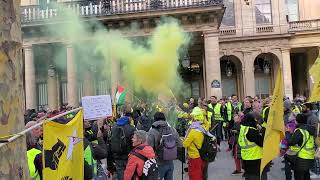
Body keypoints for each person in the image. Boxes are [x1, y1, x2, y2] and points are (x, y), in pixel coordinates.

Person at [148, 112, 182, 180]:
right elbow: (180, 144)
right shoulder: (172, 129)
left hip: (159, 163)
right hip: (170, 162)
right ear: (164, 119)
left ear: (154, 120)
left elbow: (149, 148)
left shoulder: (152, 131)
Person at [183, 107, 212, 180]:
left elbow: (185, 144)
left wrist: (182, 140)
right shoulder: (203, 127)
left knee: (194, 175)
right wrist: (204, 116)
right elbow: (207, 123)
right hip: (202, 155)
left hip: (194, 156)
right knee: (200, 174)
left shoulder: (193, 130)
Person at [238, 113, 268, 180]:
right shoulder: (251, 131)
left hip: (246, 158)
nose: (256, 123)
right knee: (256, 177)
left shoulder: (243, 129)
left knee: (249, 176)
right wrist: (263, 130)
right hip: (255, 158)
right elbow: (262, 142)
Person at [286, 114, 315, 180]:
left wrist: (288, 133)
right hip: (309, 157)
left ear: (297, 121)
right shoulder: (309, 130)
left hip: (301, 158)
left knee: (299, 176)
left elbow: (291, 142)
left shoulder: (300, 130)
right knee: (306, 176)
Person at [110, 115, 135, 180]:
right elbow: (134, 142)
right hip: (128, 155)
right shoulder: (131, 128)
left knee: (120, 173)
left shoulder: (113, 128)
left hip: (117, 156)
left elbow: (110, 140)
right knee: (129, 173)